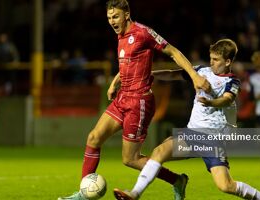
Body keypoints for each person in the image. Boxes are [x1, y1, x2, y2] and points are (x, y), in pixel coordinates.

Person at [58, 0, 210, 200]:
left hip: (139, 102)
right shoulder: (121, 36)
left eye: (115, 16)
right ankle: (84, 193)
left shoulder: (143, 33)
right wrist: (114, 84)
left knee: (131, 159)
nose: (112, 21)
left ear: (127, 14)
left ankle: (177, 180)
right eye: (109, 18)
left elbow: (172, 51)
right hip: (122, 98)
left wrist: (194, 76)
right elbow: (127, 64)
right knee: (93, 138)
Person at [113, 39, 260, 200]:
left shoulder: (232, 81)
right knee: (159, 152)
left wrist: (211, 102)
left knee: (225, 186)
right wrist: (151, 75)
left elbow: (227, 100)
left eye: (216, 60)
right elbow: (173, 74)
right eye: (211, 58)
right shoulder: (202, 71)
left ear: (228, 61)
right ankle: (135, 193)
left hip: (213, 139)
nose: (212, 62)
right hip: (192, 134)